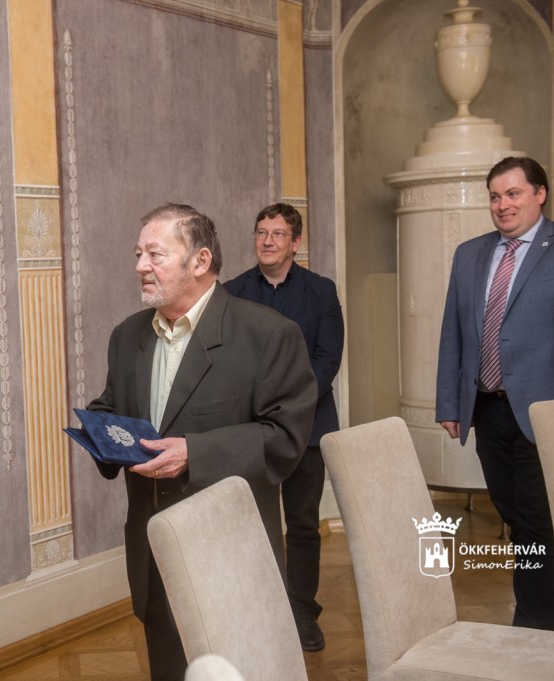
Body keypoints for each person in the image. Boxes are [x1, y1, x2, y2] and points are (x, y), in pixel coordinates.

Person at [87, 203, 317, 680]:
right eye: (137, 254)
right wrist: (100, 429)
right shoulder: (127, 335)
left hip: (228, 555)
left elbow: (285, 439)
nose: (140, 266)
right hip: (153, 548)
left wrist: (195, 452)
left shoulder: (268, 334)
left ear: (200, 260)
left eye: (155, 254)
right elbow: (114, 405)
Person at [436, 156, 554, 631]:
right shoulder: (470, 253)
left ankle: (537, 628)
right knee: (514, 513)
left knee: (538, 518)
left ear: (540, 193)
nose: (503, 204)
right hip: (488, 408)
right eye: (495, 196)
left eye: (513, 193)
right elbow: (454, 331)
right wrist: (450, 401)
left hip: (550, 407)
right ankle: (553, 610)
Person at [223, 203, 343, 652]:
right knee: (250, 525)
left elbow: (327, 360)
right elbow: (228, 363)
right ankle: (258, 613)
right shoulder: (231, 293)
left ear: (296, 242)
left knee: (303, 525)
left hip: (307, 428)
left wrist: (287, 407)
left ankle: (301, 613)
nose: (267, 240)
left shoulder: (321, 291)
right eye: (261, 232)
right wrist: (259, 408)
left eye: (277, 233)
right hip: (249, 430)